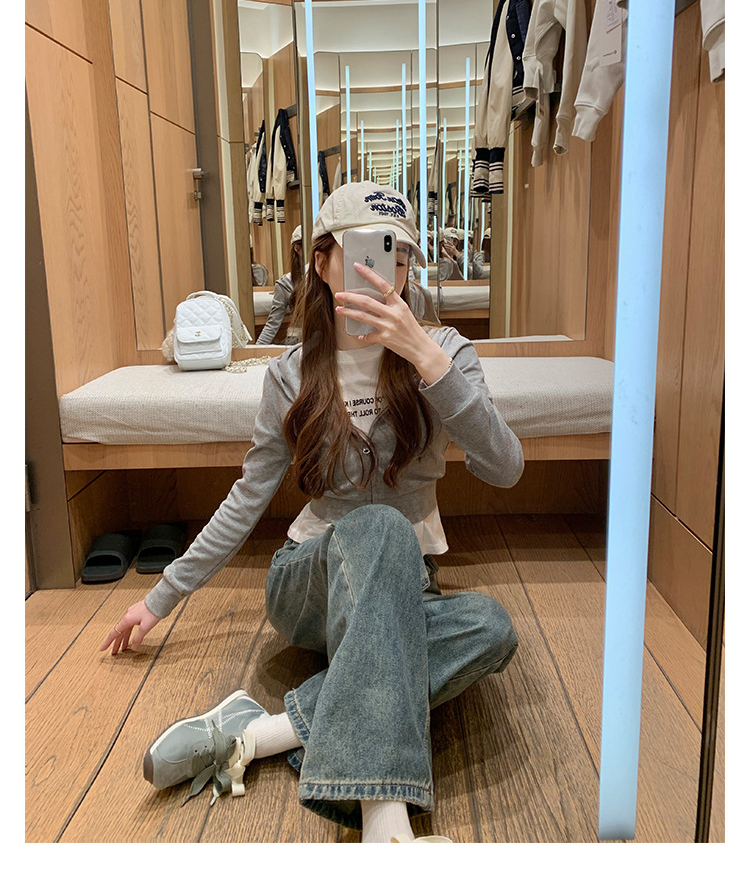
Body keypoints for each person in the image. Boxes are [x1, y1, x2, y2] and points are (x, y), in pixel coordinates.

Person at [100, 182, 524, 844]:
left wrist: (428, 359)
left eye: (399, 257)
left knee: (491, 628)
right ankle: (388, 831)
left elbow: (505, 467)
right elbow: (248, 495)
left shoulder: (445, 353)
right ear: (322, 263)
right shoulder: (292, 373)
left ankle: (261, 732)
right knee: (381, 526)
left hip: (405, 584)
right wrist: (159, 598)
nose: (387, 273)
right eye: (366, 254)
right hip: (309, 580)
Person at [256, 226, 305, 345]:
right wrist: (256, 350)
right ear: (297, 249)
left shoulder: (327, 277)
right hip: (298, 342)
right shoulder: (285, 284)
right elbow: (272, 325)